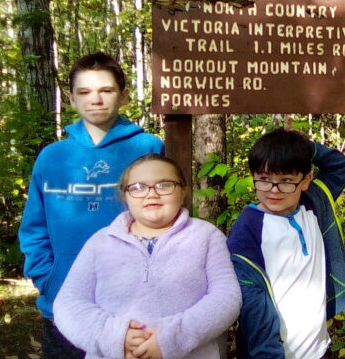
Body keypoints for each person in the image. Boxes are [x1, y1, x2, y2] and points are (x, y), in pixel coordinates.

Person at [18, 52, 164, 358]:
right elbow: (34, 228)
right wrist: (49, 280)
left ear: (123, 96)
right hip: (64, 304)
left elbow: (163, 219)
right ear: (71, 99)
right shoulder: (52, 156)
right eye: (84, 92)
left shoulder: (148, 147)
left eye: (106, 90)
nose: (94, 99)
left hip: (132, 305)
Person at [53, 154, 241, 359]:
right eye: (138, 187)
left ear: (183, 191)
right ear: (124, 195)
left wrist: (171, 339)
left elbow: (226, 297)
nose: (151, 194)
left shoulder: (206, 235)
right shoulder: (101, 242)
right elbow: (68, 303)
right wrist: (114, 337)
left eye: (164, 185)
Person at [227, 127, 345, 359]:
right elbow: (252, 305)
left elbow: (338, 164)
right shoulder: (248, 231)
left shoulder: (314, 203)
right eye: (264, 179)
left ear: (306, 180)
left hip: (318, 348)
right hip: (275, 353)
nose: (274, 191)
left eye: (286, 180)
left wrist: (306, 146)